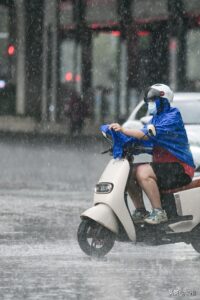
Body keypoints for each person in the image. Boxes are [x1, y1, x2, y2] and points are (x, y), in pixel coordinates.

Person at [109, 83, 195, 225]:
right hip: (164, 167)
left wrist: (123, 130)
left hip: (181, 168)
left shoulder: (172, 117)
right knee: (128, 172)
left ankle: (158, 212)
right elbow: (140, 138)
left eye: (153, 101)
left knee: (143, 171)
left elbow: (147, 134)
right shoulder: (155, 119)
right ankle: (141, 211)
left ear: (163, 101)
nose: (151, 104)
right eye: (149, 101)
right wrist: (122, 141)